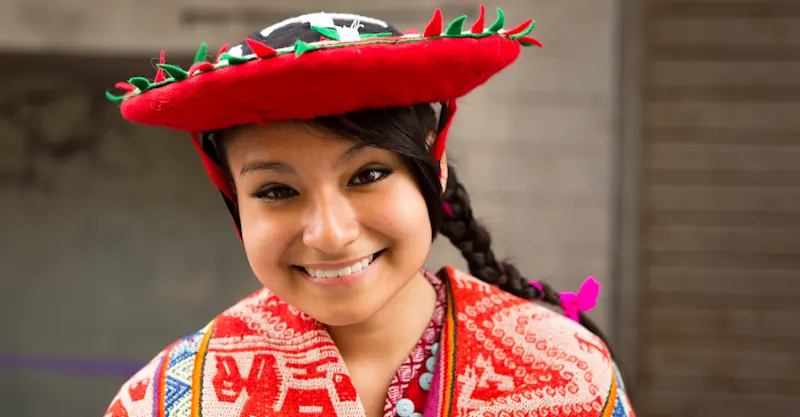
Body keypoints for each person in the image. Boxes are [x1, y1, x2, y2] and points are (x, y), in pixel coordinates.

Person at [104, 5, 635, 417]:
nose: (330, 235)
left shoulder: (570, 373)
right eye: (275, 192)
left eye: (368, 176)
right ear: (233, 200)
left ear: (435, 167)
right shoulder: (172, 400)